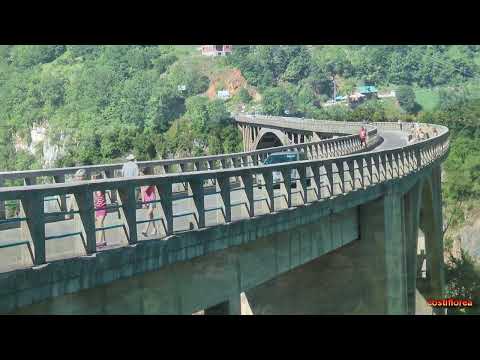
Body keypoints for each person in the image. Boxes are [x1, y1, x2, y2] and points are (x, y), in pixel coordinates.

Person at [140, 168, 158, 237]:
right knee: (151, 215)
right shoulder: (142, 180)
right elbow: (142, 191)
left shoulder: (150, 179)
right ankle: (154, 229)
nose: (139, 175)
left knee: (148, 213)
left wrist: (141, 186)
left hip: (152, 198)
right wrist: (143, 202)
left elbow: (144, 189)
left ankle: (145, 230)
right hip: (147, 198)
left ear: (144, 173)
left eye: (141, 173)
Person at [93, 173, 108, 248]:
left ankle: (99, 241)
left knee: (100, 223)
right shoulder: (94, 189)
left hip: (103, 207)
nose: (94, 180)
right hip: (97, 208)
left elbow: (106, 180)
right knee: (100, 224)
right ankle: (104, 241)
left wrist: (103, 173)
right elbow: (95, 200)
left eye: (95, 178)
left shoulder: (102, 187)